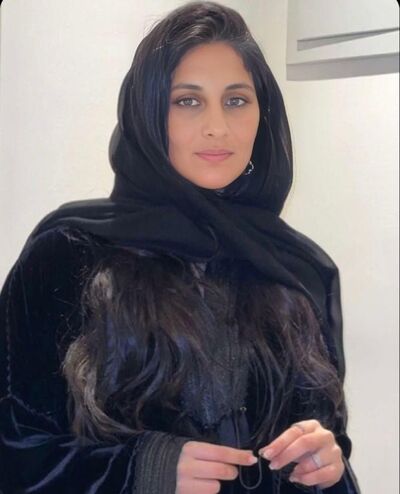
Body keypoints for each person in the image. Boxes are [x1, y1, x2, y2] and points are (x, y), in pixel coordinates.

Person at [0, 2, 361, 493]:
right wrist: (141, 469)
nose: (217, 126)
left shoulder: (300, 270)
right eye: (187, 101)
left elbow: (328, 440)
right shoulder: (69, 253)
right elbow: (14, 451)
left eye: (236, 100)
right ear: (149, 114)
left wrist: (328, 464)